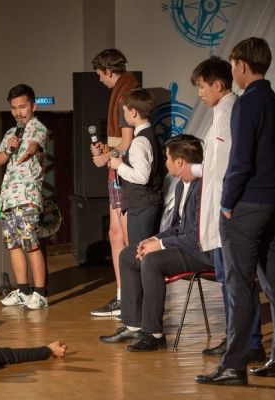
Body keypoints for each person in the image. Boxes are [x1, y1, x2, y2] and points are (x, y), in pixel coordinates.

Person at [195, 37, 275, 386]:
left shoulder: (246, 103)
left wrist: (226, 203)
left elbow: (240, 161)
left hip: (247, 205)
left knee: (239, 286)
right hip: (274, 203)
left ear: (241, 66)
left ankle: (233, 366)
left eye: (234, 64)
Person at [176, 56, 265, 363]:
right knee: (230, 280)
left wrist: (227, 205)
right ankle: (236, 338)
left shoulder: (229, 111)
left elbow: (233, 164)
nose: (200, 93)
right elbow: (216, 165)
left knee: (236, 280)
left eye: (202, 86)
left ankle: (248, 342)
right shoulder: (221, 111)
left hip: (228, 212)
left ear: (217, 84)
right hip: (221, 211)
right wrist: (194, 170)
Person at [99, 134, 214, 350]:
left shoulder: (203, 188)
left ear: (179, 161)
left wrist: (160, 246)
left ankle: (154, 334)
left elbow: (197, 235)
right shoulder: (181, 186)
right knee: (128, 254)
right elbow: (178, 226)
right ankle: (133, 325)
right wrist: (154, 239)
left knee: (152, 261)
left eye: (167, 158)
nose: (166, 162)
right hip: (184, 245)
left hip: (201, 251)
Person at [90, 48, 140, 317]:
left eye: (100, 74)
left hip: (124, 173)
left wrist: (106, 157)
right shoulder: (121, 92)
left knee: (128, 237)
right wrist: (106, 149)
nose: (100, 80)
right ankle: (123, 296)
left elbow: (128, 142)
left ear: (109, 71)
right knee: (115, 234)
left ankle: (133, 297)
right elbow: (119, 140)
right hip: (116, 172)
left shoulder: (127, 93)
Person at [0, 84, 49, 309]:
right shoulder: (10, 133)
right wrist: (9, 149)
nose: (18, 112)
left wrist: (28, 151)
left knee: (30, 243)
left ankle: (41, 293)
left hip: (27, 196)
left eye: (23, 107)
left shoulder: (38, 128)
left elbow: (35, 145)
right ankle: (23, 291)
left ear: (33, 106)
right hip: (8, 198)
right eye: (14, 108)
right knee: (13, 245)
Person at [109, 88, 164, 247]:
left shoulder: (140, 141)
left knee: (139, 251)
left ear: (133, 112)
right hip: (145, 204)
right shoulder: (149, 135)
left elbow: (142, 176)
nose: (124, 115)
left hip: (141, 206)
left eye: (124, 111)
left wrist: (119, 165)